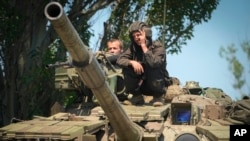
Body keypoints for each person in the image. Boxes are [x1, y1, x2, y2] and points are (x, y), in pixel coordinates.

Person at [116, 21, 167, 106]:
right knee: (127, 67)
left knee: (153, 67)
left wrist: (143, 46)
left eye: (139, 35)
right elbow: (120, 60)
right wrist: (131, 62)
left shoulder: (158, 47)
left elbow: (154, 63)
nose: (136, 38)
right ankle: (137, 97)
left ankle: (158, 97)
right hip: (141, 85)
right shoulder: (133, 48)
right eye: (134, 36)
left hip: (157, 85)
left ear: (146, 34)